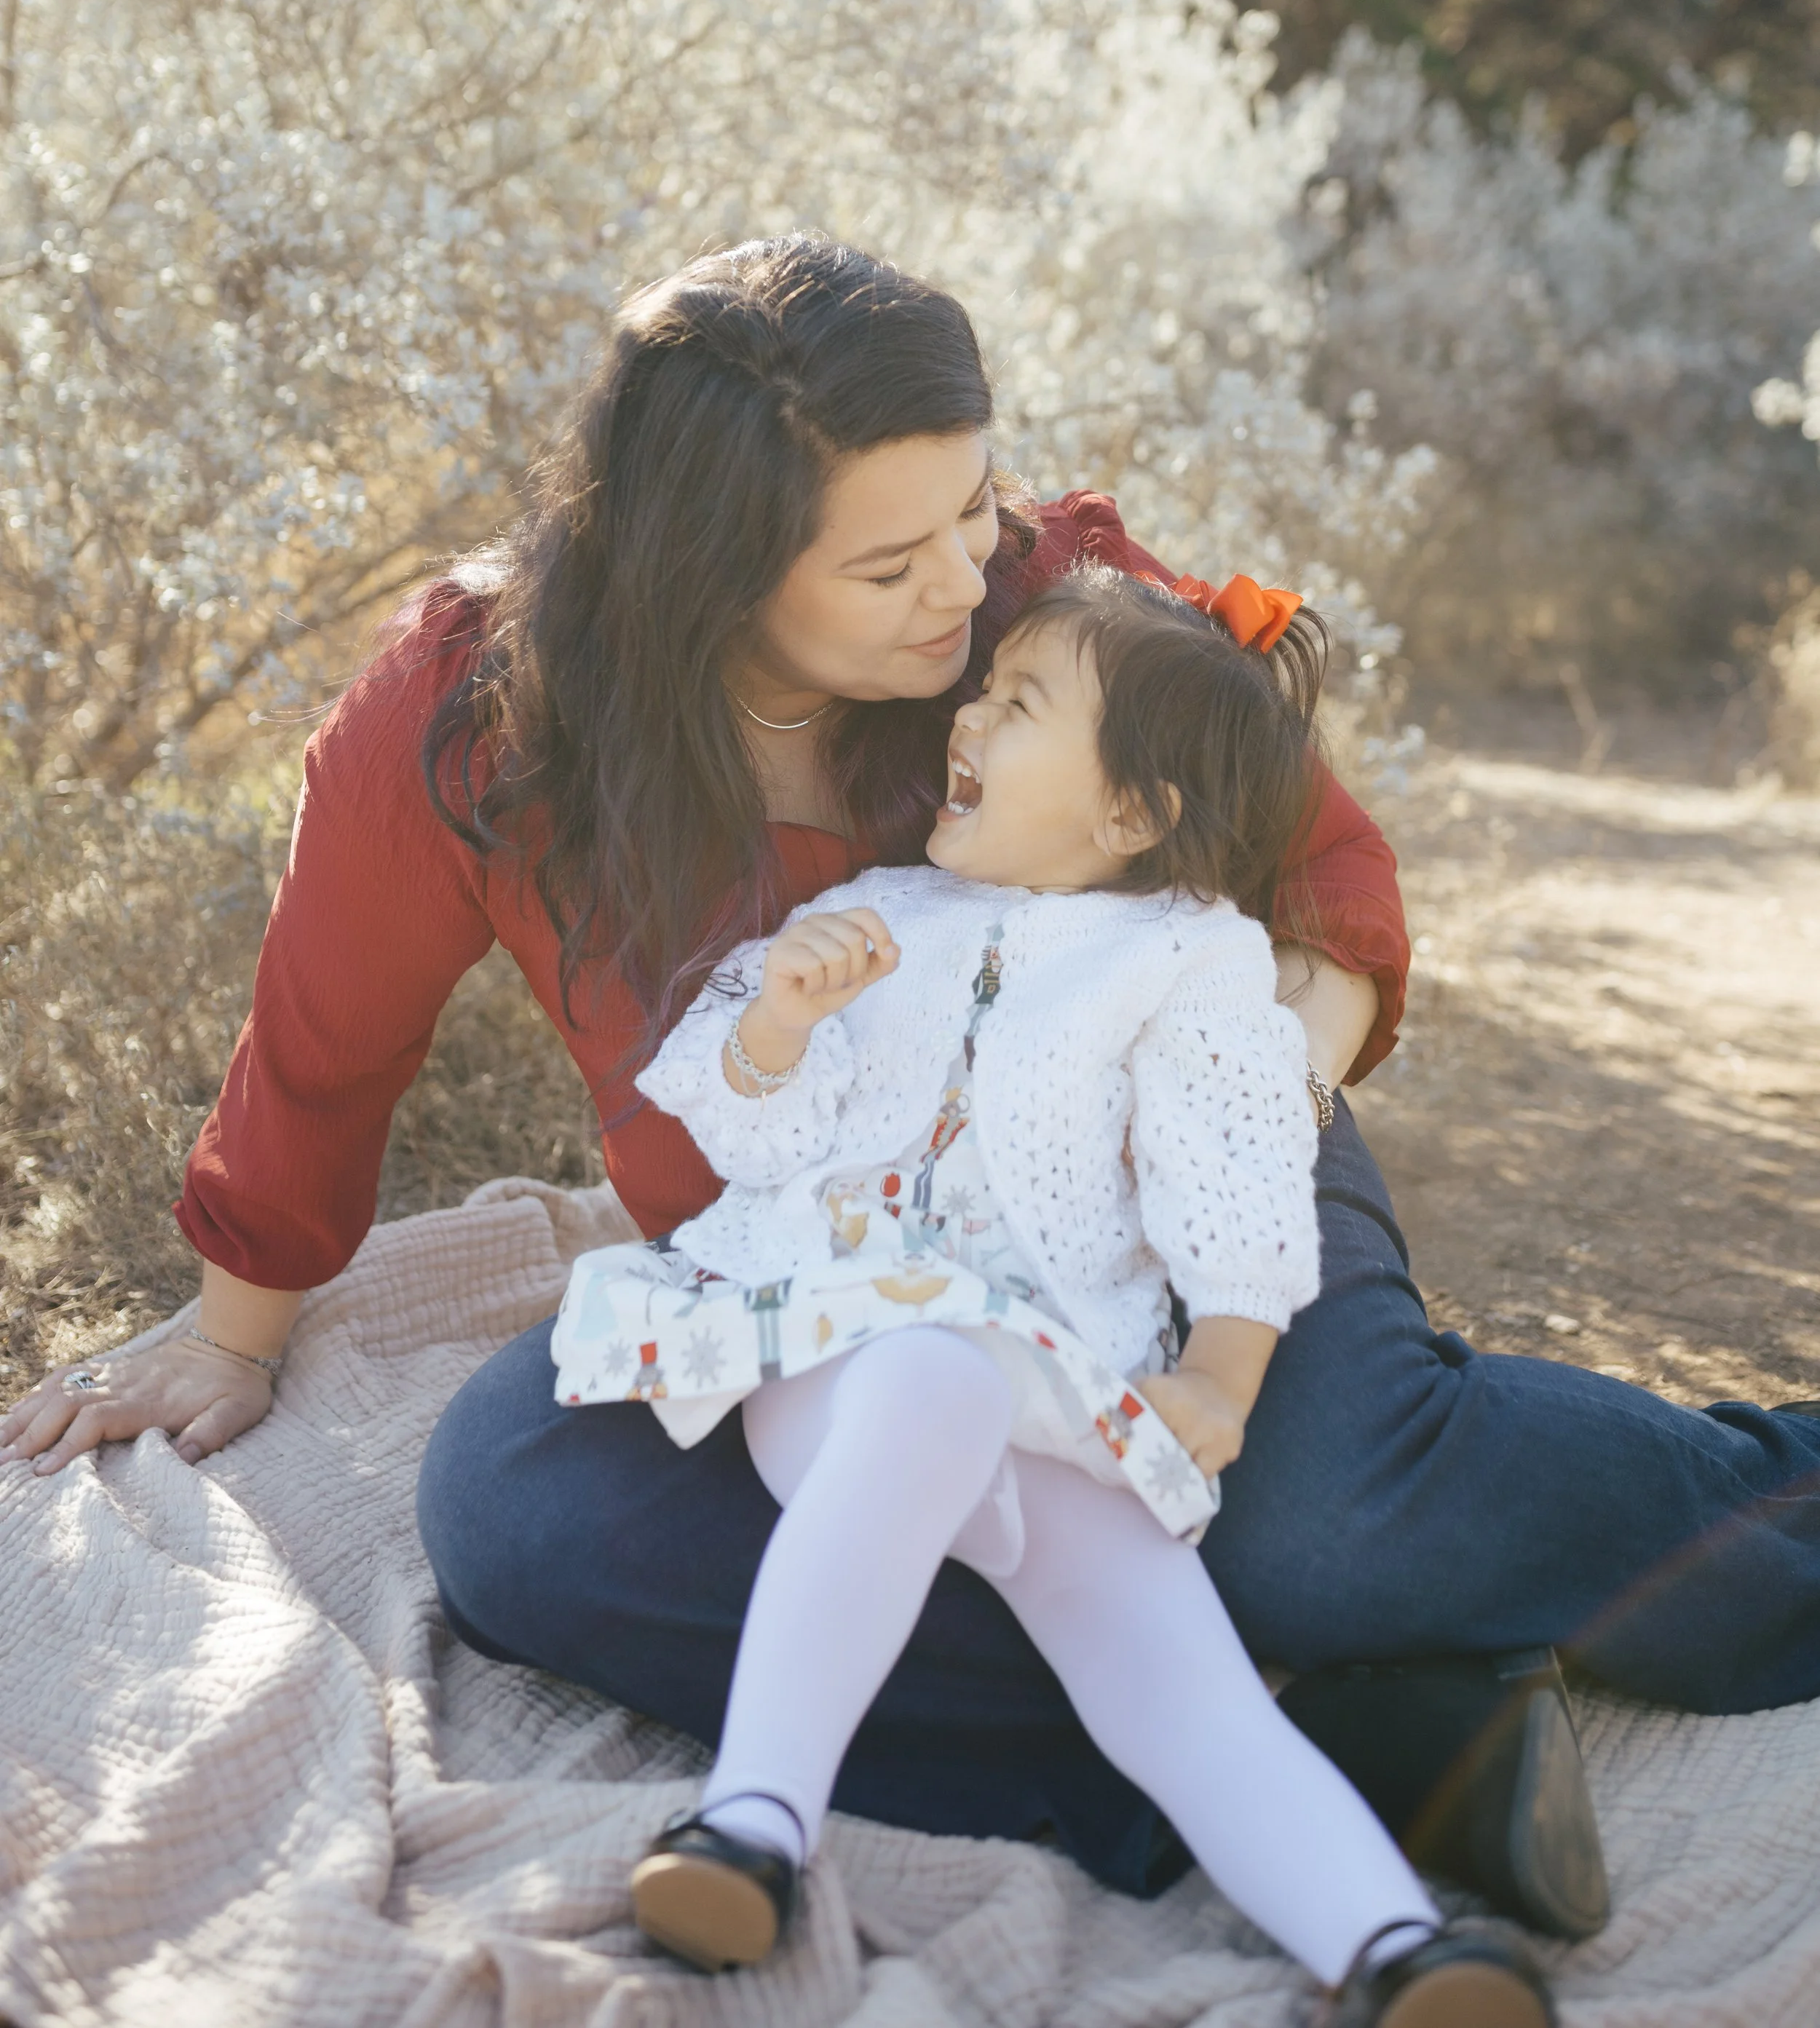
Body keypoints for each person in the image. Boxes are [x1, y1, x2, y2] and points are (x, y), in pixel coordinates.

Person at [4, 237, 1815, 1938]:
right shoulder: (477, 716)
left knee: (1319, 1523)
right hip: (825, 1292)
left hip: (1160, 1185)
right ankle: (1331, 1743)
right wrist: (236, 1330)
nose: (963, 582)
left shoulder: (1056, 611)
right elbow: (328, 1039)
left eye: (972, 507)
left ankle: (1731, 1517)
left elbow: (1322, 885)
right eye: (891, 566)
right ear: (705, 572)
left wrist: (1204, 1144)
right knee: (517, 1507)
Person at [574, 561, 1552, 2023]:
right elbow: (748, 1139)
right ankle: (753, 1823)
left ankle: (1395, 1947)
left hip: (1060, 1377)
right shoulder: (875, 913)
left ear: (1131, 814)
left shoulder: (1190, 962)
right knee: (927, 1380)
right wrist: (781, 1015)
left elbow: (1231, 1172)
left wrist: (1219, 1375)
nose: (968, 713)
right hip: (838, 1359)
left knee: (1181, 1679)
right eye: (987, 686)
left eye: (1018, 701)